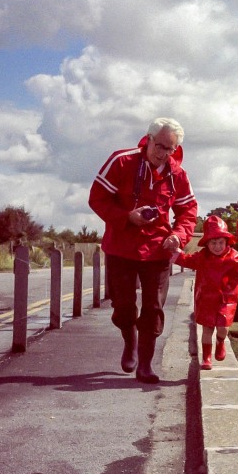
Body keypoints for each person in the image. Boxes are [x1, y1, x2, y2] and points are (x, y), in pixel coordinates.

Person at [89, 117, 197, 384]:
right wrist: (128, 217)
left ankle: (146, 365)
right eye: (159, 146)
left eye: (170, 149)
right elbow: (97, 199)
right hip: (121, 247)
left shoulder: (178, 174)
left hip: (158, 251)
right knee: (123, 305)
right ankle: (130, 342)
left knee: (153, 308)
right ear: (148, 139)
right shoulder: (122, 161)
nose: (163, 153)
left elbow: (188, 211)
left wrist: (178, 235)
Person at [174, 215, 238, 370]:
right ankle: (206, 358)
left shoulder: (234, 257)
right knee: (207, 329)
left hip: (226, 299)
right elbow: (187, 260)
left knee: (222, 327)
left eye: (220, 242)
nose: (217, 246)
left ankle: (220, 341)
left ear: (227, 242)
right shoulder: (202, 257)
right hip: (206, 298)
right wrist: (174, 253)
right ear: (207, 244)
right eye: (213, 243)